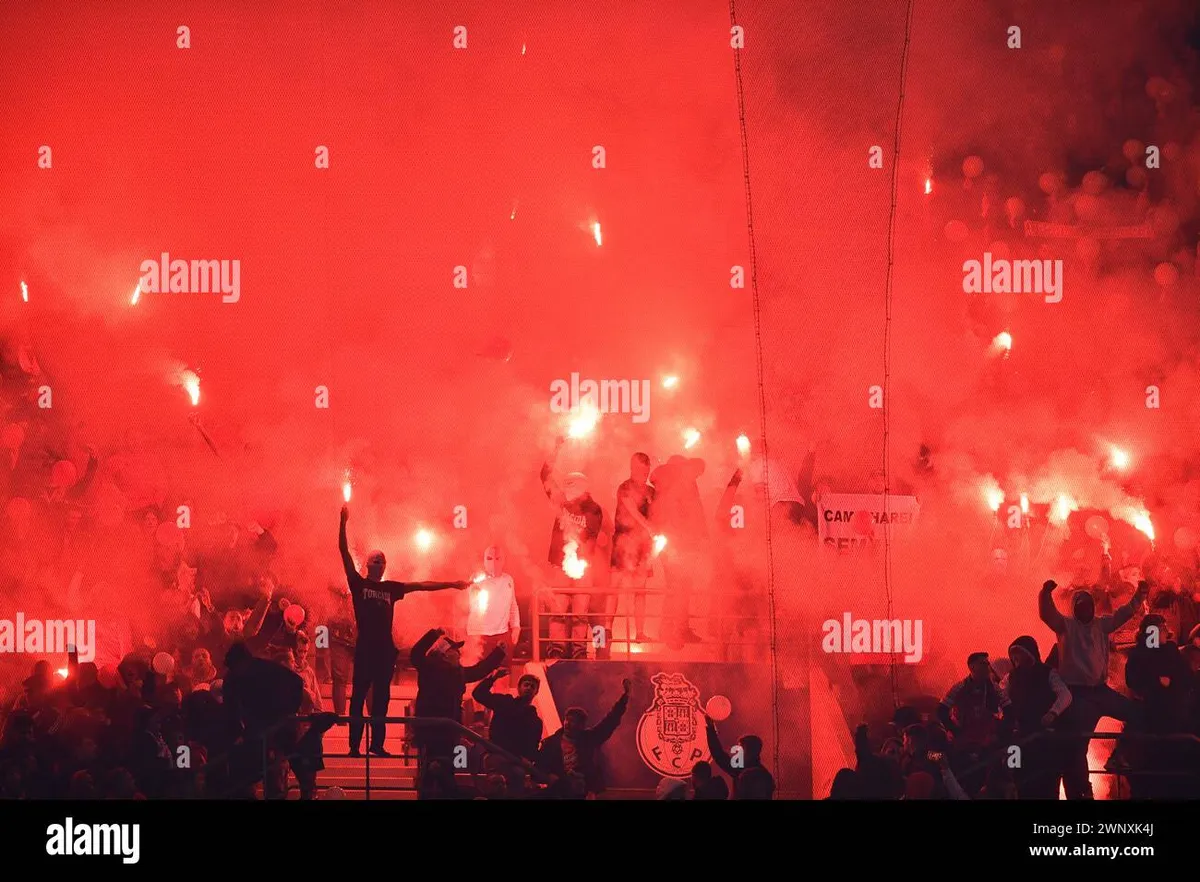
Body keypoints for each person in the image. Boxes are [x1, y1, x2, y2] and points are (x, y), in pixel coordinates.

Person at [338, 505, 471, 757]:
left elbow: (421, 585)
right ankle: (354, 746)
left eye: (383, 560)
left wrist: (452, 583)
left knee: (382, 699)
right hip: (365, 648)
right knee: (357, 698)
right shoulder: (358, 583)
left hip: (385, 651)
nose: (380, 562)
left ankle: (376, 745)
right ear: (367, 564)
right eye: (376, 559)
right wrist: (342, 522)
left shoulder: (391, 588)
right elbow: (343, 552)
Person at [1038, 577, 1147, 798]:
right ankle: (1081, 791)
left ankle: (1119, 754)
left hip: (1100, 690)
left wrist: (1140, 596)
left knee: (1137, 714)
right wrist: (1045, 593)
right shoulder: (1065, 626)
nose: (1086, 609)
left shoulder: (1101, 624)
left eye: (1088, 605)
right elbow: (1047, 614)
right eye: (1081, 606)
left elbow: (1123, 614)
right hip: (1077, 695)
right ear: (1075, 608)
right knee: (1078, 745)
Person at [540, 438, 607, 659]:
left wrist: (577, 561)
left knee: (580, 613)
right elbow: (545, 476)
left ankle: (578, 650)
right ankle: (557, 648)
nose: (566, 490)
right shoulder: (561, 501)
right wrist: (556, 449)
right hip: (559, 566)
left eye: (571, 486)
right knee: (558, 611)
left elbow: (591, 538)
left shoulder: (594, 509)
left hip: (582, 567)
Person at [410, 628, 505, 778]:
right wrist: (433, 635)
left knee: (447, 768)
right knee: (431, 768)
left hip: (450, 729)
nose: (458, 654)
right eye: (454, 650)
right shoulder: (428, 668)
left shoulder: (457, 673)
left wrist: (498, 653)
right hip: (430, 729)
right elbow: (415, 654)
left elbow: (478, 671)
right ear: (444, 654)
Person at [1001, 634, 1072, 799]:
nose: (1015, 658)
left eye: (1019, 652)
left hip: (1045, 742)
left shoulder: (1049, 673)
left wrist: (1052, 713)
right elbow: (1001, 698)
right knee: (1018, 782)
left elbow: (1065, 695)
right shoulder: (1010, 678)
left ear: (1029, 653)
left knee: (1047, 785)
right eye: (1013, 654)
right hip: (1019, 741)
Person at [536, 678, 631, 796]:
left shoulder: (588, 739)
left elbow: (609, 722)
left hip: (584, 788)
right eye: (567, 720)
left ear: (581, 725)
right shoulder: (551, 743)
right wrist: (549, 776)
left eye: (572, 721)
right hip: (559, 788)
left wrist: (624, 699)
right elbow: (539, 767)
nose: (567, 723)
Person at [602, 453, 656, 652]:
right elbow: (630, 509)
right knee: (614, 585)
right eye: (640, 469)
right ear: (632, 468)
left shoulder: (652, 491)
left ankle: (639, 632)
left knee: (640, 589)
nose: (644, 473)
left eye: (646, 470)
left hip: (643, 546)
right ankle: (607, 629)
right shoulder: (624, 487)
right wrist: (648, 526)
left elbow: (658, 512)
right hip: (623, 541)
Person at [464, 546, 520, 682]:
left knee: (502, 678)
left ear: (504, 560)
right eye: (489, 558)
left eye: (497, 558)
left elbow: (513, 604)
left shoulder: (508, 580)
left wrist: (516, 627)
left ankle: (499, 703)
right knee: (478, 680)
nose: (493, 562)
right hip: (478, 635)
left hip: (502, 635)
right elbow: (468, 605)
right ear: (483, 560)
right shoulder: (477, 579)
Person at [472, 668, 544, 762]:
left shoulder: (536, 721)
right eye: (526, 685)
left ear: (536, 692)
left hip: (516, 761)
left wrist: (528, 759)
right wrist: (493, 678)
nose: (529, 688)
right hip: (497, 754)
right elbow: (479, 694)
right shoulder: (505, 702)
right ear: (518, 688)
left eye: (532, 686)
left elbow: (533, 745)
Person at [704, 713, 775, 799]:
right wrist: (710, 729)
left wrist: (711, 729)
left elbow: (719, 755)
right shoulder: (765, 775)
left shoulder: (740, 769)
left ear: (750, 751)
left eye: (740, 748)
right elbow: (719, 755)